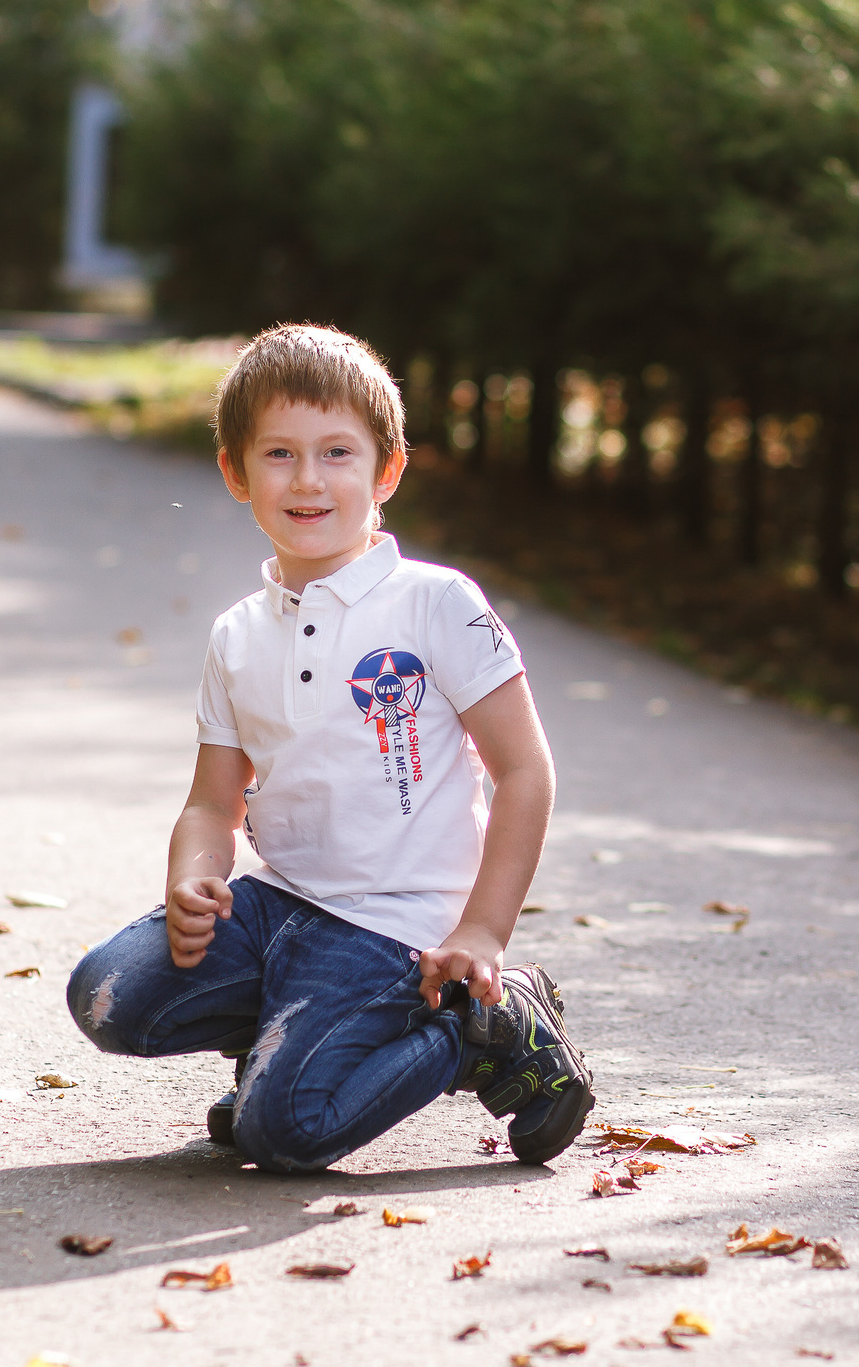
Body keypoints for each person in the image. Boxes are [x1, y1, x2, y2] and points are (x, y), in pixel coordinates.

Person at [64, 324, 594, 1172]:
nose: (308, 479)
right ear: (237, 472)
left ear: (386, 470)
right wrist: (192, 873)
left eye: (338, 452)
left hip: (394, 932)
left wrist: (484, 932)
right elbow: (212, 802)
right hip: (276, 904)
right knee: (105, 996)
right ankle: (285, 1037)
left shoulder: (435, 603)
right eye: (279, 453)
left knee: (286, 1131)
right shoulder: (236, 634)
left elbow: (525, 770)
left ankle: (481, 1028)